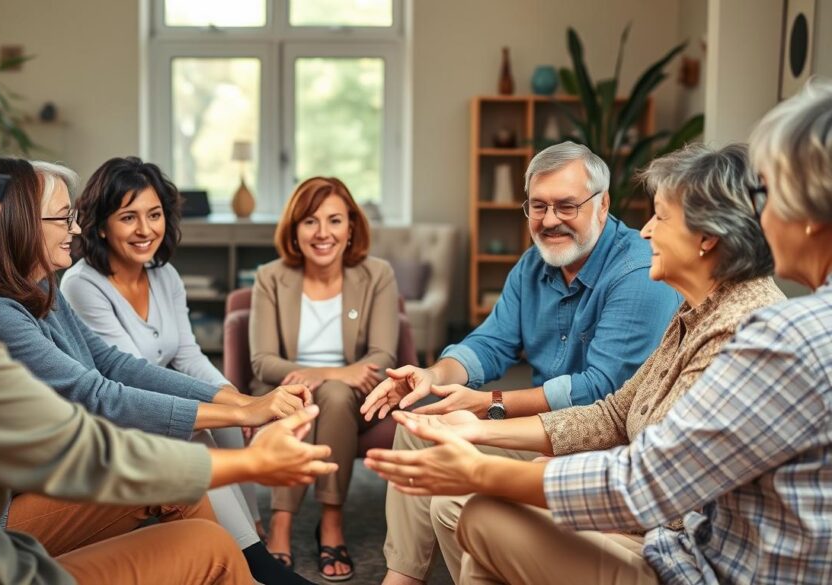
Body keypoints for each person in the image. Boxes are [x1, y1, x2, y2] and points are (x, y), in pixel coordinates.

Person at [0, 74, 335, 585]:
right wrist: (250, 462)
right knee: (212, 550)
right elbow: (79, 446)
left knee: (193, 521)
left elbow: (99, 382)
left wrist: (238, 412)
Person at [366, 80, 832, 585]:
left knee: (473, 506)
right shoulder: (699, 312)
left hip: (680, 546)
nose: (647, 230)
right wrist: (464, 409)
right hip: (661, 515)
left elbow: (643, 472)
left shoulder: (767, 332)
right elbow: (609, 409)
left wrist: (484, 440)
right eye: (537, 206)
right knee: (456, 479)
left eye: (659, 217)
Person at [0, 157, 315, 585]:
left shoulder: (39, 287)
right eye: (64, 219)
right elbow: (98, 395)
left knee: (190, 504)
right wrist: (243, 412)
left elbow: (115, 364)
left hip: (38, 482)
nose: (75, 230)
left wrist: (242, 402)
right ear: (19, 224)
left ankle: (239, 567)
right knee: (172, 460)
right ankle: (250, 570)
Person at [363, 141, 682, 584]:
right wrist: (432, 375)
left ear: (603, 203)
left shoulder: (637, 270)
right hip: (543, 425)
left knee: (455, 497)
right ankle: (403, 577)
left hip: (602, 440)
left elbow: (600, 390)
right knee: (418, 426)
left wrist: (489, 404)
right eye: (538, 206)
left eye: (566, 206)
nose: (550, 220)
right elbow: (491, 342)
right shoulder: (534, 265)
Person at [60, 156, 264, 537]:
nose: (145, 230)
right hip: (115, 411)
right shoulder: (81, 284)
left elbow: (187, 353)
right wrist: (232, 407)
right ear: (101, 226)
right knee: (200, 435)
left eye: (154, 215)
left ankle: (252, 526)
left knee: (231, 413)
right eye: (128, 217)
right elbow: (131, 372)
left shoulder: (164, 274)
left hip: (156, 397)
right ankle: (249, 556)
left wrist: (233, 396)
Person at [251, 176, 400, 581]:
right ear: (294, 230)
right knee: (308, 394)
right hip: (288, 388)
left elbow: (384, 355)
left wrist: (337, 378)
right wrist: (326, 373)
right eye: (310, 222)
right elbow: (262, 361)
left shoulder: (378, 274)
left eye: (335, 221)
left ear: (351, 227)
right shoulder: (270, 276)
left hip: (356, 395)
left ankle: (330, 519)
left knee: (333, 394)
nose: (323, 233)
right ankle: (283, 521)